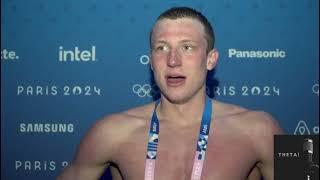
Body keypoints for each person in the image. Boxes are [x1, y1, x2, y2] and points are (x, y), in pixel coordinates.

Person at [57, 7, 283, 180]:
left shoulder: (263, 128)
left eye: (187, 47)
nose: (173, 61)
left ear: (211, 59)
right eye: (162, 48)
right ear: (151, 61)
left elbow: (310, 170)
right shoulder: (109, 132)